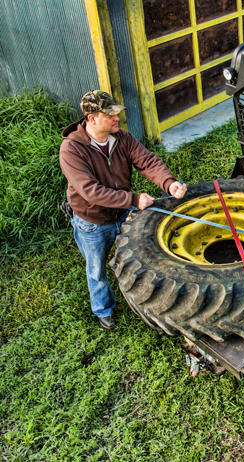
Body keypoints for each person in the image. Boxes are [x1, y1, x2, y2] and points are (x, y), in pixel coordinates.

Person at [59, 90, 187, 329]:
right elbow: (91, 192)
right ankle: (103, 309)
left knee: (140, 255)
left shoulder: (122, 138)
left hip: (125, 213)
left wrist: (169, 183)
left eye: (117, 113)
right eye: (110, 115)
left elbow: (147, 161)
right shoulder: (71, 150)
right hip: (93, 221)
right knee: (96, 268)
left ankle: (144, 298)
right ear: (92, 118)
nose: (117, 119)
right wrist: (133, 199)